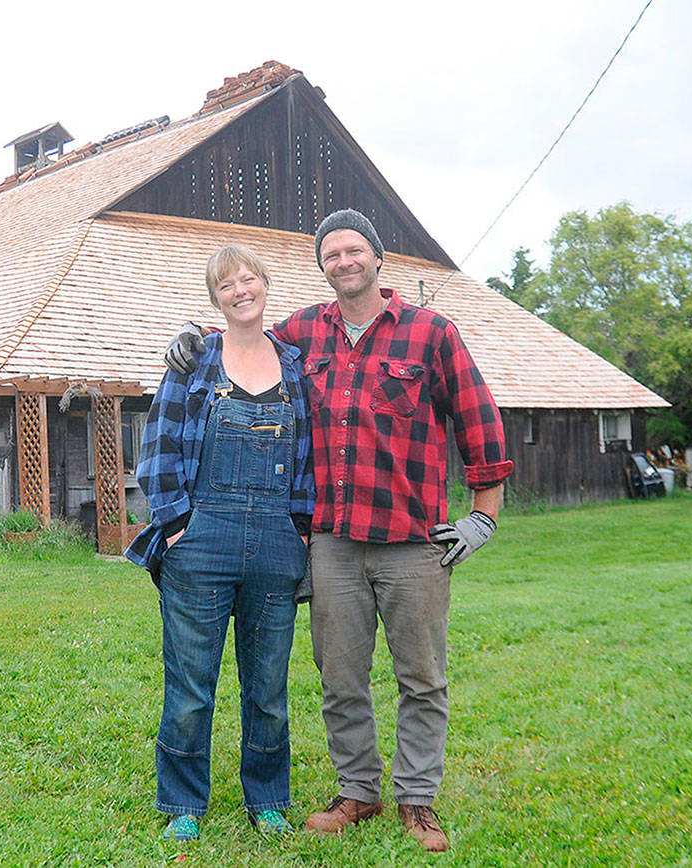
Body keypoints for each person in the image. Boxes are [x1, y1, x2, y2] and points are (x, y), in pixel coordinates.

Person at [163, 210, 513, 852]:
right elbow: (244, 338)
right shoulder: (305, 332)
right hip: (332, 543)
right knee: (341, 678)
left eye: (354, 250)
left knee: (422, 678)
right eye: (331, 254)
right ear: (322, 267)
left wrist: (482, 516)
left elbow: (479, 424)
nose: (344, 261)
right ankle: (358, 791)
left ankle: (418, 801)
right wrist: (194, 334)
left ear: (378, 258)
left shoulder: (432, 333)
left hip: (414, 541)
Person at [126, 245, 315, 842]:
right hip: (201, 539)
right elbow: (158, 447)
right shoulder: (195, 361)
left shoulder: (294, 365)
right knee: (190, 688)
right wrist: (176, 525)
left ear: (265, 284)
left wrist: (300, 529)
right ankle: (184, 803)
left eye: (249, 278)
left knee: (268, 690)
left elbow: (307, 456)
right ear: (216, 299)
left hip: (277, 542)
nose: (241, 290)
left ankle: (268, 800)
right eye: (227, 284)